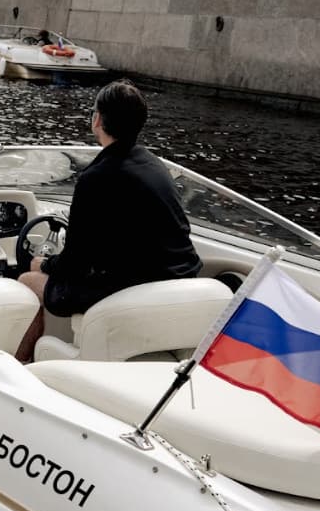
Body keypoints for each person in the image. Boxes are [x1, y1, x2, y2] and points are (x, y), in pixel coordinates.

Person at [15, 79, 202, 362]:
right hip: (179, 282)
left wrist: (44, 264)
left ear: (97, 120)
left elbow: (75, 261)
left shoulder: (95, 178)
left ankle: (19, 365)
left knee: (28, 281)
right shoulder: (156, 166)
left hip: (135, 289)